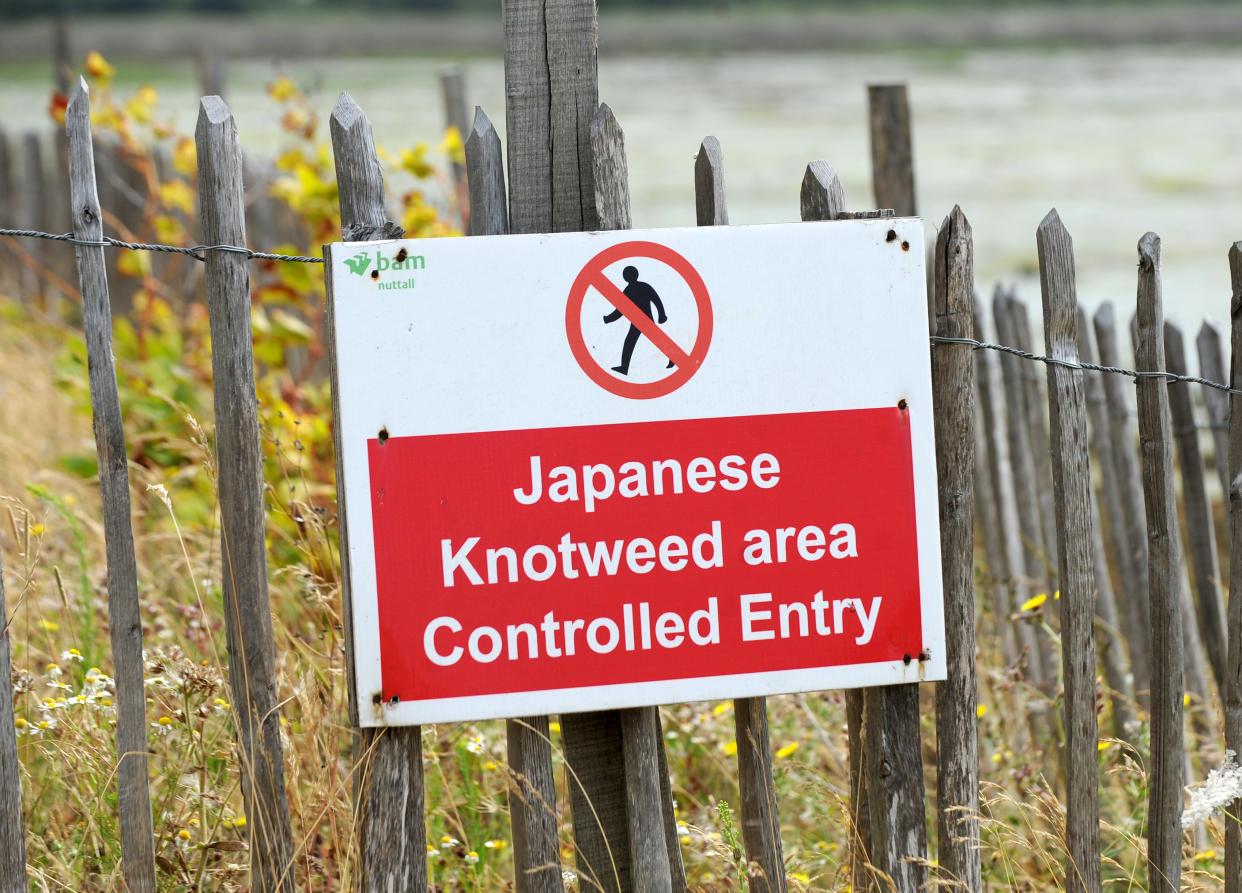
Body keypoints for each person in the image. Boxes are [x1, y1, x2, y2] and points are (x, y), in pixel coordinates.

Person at [603, 266, 674, 375]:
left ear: (625, 277)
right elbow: (657, 300)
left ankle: (624, 367)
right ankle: (624, 367)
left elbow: (620, 310)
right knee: (637, 341)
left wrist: (608, 319)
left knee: (632, 342)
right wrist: (661, 315)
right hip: (641, 321)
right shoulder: (644, 286)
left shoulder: (629, 290)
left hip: (641, 321)